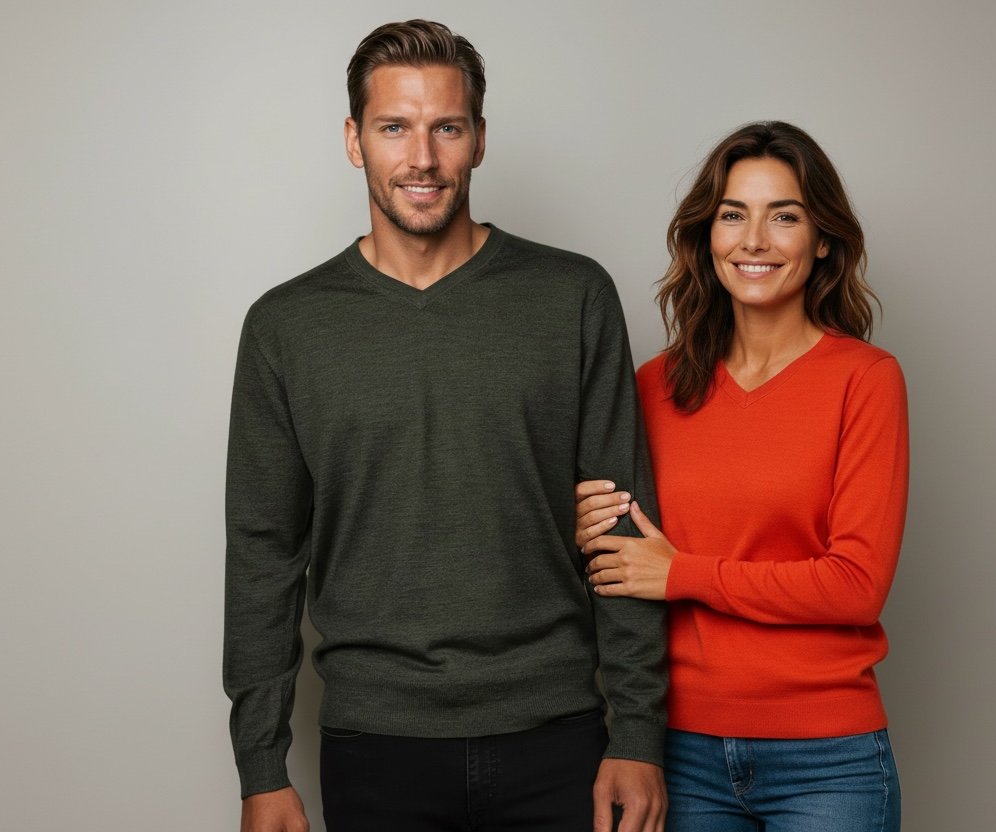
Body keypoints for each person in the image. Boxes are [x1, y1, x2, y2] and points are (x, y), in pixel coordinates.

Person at [223, 19, 667, 832]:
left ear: (480, 140)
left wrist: (637, 731)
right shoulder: (286, 327)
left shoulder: (572, 297)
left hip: (557, 734)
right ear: (354, 141)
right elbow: (263, 555)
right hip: (373, 743)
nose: (422, 158)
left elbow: (623, 525)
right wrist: (260, 766)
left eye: (447, 128)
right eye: (394, 127)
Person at [576, 121, 907, 831]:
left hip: (828, 758)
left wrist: (682, 573)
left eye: (783, 216)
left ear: (823, 239)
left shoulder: (865, 381)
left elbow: (856, 583)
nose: (754, 240)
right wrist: (586, 534)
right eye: (733, 215)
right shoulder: (653, 387)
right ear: (707, 235)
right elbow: (620, 570)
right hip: (678, 753)